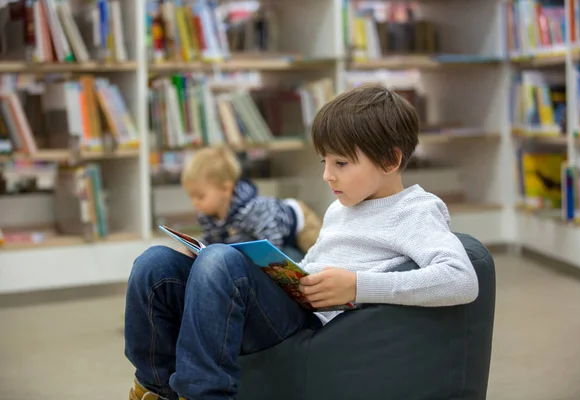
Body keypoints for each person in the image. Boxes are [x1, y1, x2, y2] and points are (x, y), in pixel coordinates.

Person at [124, 84, 479, 400]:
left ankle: (201, 393)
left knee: (220, 260)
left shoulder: (415, 211)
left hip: (320, 329)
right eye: (324, 161)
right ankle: (156, 389)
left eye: (340, 162)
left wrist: (357, 286)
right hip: (295, 305)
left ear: (390, 160)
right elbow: (315, 261)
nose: (327, 175)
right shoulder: (344, 207)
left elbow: (461, 280)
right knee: (154, 265)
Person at [178, 146, 322, 259]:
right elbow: (211, 241)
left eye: (200, 197)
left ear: (225, 189)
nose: (194, 203)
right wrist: (192, 251)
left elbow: (271, 240)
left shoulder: (251, 210)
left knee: (317, 254)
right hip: (272, 230)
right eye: (191, 197)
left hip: (299, 221)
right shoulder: (207, 216)